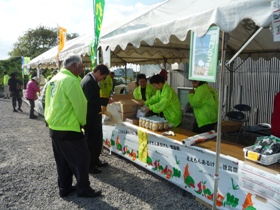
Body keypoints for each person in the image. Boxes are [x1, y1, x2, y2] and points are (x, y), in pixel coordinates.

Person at [44, 54, 101, 198]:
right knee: (82, 159)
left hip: (54, 126)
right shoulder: (71, 80)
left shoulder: (54, 79)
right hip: (69, 126)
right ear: (74, 65)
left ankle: (64, 187)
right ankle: (83, 188)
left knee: (62, 160)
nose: (82, 69)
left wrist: (48, 119)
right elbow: (81, 105)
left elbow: (47, 102)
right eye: (81, 66)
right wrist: (83, 123)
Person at [81, 64, 110, 174]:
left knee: (97, 139)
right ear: (98, 72)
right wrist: (106, 101)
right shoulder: (89, 82)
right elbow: (92, 99)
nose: (103, 79)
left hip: (94, 114)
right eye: (103, 76)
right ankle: (89, 165)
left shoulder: (90, 80)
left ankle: (95, 159)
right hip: (90, 116)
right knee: (91, 141)